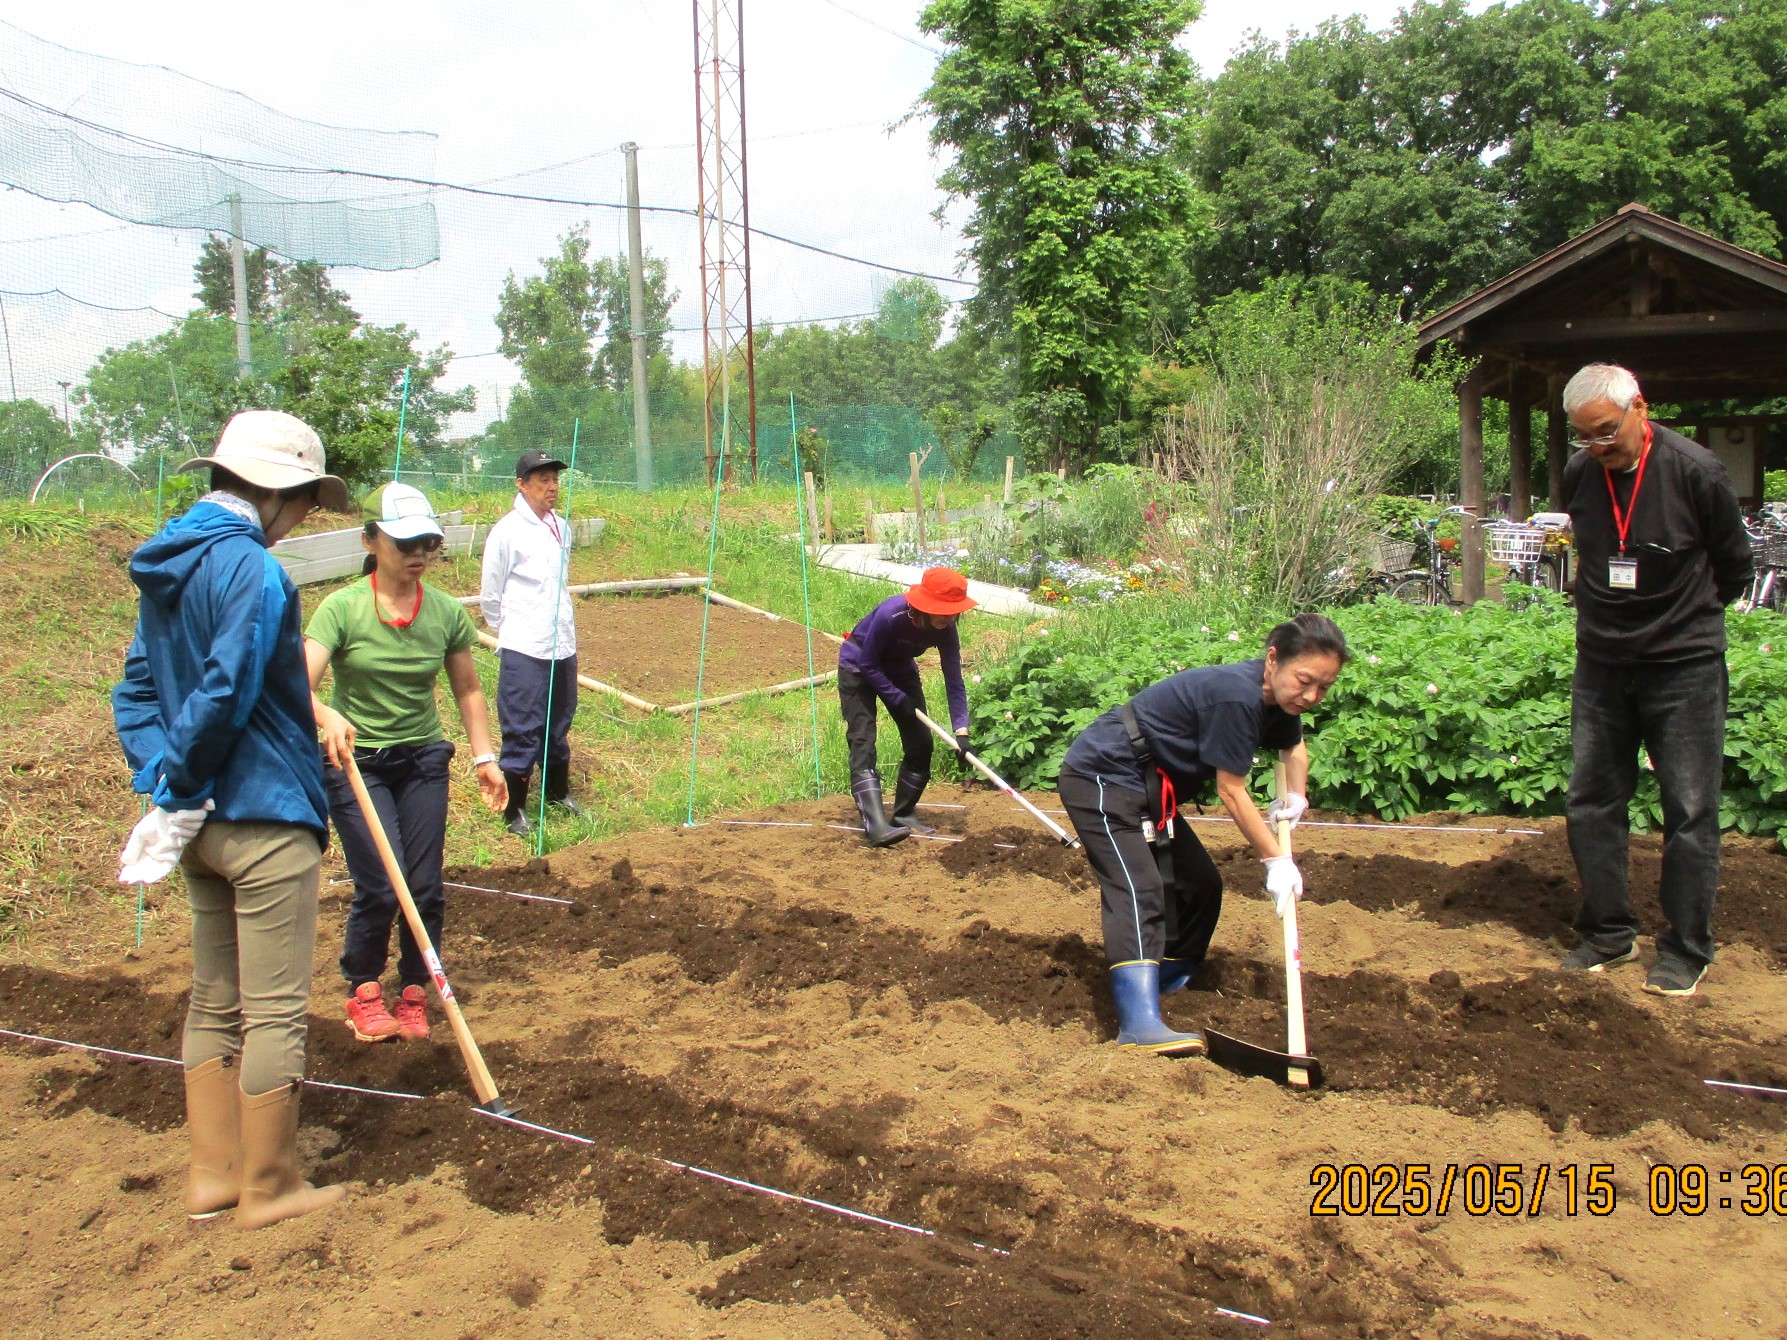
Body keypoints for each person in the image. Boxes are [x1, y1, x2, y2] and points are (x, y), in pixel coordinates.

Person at [112, 409, 350, 1229]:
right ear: (279, 493)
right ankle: (272, 1185)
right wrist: (186, 773)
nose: (306, 521)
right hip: (264, 815)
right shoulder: (252, 572)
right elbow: (227, 689)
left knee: (213, 1000)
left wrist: (168, 789)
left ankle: (212, 1176)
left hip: (199, 825)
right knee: (274, 1008)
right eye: (308, 504)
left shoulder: (169, 566)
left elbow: (137, 693)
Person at [1057, 614, 1348, 1055]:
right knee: (1138, 890)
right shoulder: (1236, 698)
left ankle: (1166, 978)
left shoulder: (1280, 701)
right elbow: (1231, 791)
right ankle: (1137, 1024)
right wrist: (1276, 860)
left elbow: (1293, 745)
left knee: (1200, 885)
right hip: (1103, 777)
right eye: (1305, 681)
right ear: (1273, 660)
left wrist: (1298, 796)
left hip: (1151, 788)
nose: (1310, 696)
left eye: (1323, 688)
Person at [1558, 363, 1752, 997]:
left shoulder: (1695, 472)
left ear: (1640, 407)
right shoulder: (1582, 474)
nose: (1598, 447)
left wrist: (1679, 623)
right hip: (1603, 663)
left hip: (1683, 665)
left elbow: (1734, 567)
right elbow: (1592, 547)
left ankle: (1686, 948)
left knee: (1690, 810)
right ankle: (1609, 932)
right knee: (1591, 800)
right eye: (1583, 436)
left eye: (1607, 431)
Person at [306, 482, 507, 1043]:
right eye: (405, 542)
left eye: (429, 543)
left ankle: (417, 987)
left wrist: (483, 757)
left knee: (423, 883)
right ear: (370, 541)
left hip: (421, 759)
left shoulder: (443, 613)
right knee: (380, 881)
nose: (419, 554)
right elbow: (296, 685)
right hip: (356, 762)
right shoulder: (342, 608)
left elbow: (467, 689)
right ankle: (363, 987)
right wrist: (326, 717)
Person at [837, 567, 977, 846]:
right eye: (942, 610)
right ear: (924, 606)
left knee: (921, 743)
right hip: (858, 667)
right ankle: (876, 825)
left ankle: (903, 814)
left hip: (900, 671)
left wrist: (961, 731)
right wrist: (895, 697)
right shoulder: (892, 614)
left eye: (953, 612)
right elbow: (868, 663)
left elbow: (954, 681)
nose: (947, 618)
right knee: (863, 741)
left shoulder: (946, 629)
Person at [480, 449, 580, 836]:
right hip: (525, 645)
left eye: (555, 479)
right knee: (523, 724)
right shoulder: (507, 532)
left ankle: (557, 793)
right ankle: (515, 809)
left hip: (561, 641)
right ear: (522, 485)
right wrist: (511, 629)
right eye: (542, 480)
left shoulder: (561, 526)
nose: (552, 487)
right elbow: (491, 592)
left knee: (559, 720)